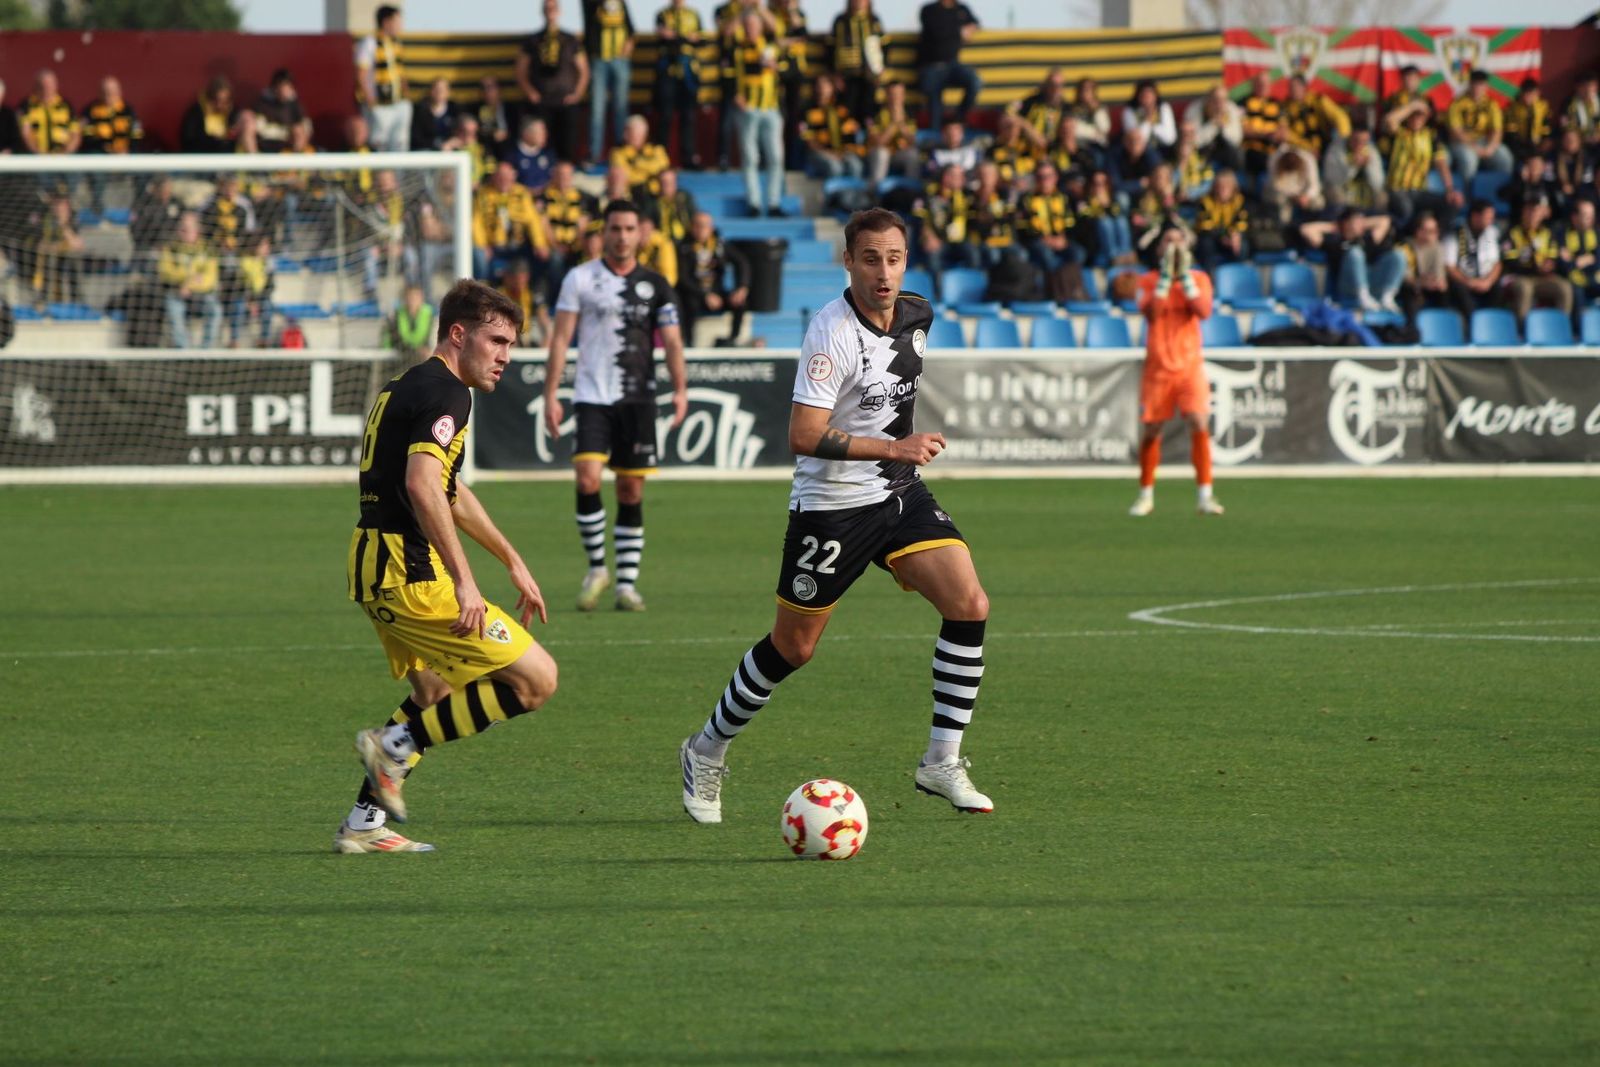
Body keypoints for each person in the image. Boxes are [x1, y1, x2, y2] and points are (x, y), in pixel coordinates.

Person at [678, 206, 995, 825]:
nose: (884, 272)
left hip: (898, 490)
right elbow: (802, 434)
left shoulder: (918, 314)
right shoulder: (830, 332)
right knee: (793, 648)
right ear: (847, 261)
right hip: (831, 507)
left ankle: (941, 760)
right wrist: (895, 447)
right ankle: (706, 748)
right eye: (870, 259)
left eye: (894, 258)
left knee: (969, 604)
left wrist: (898, 458)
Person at [339, 280, 557, 854]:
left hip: (376, 565)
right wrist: (466, 581)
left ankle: (363, 823)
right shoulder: (450, 393)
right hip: (409, 571)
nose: (505, 356)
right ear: (458, 335)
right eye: (497, 341)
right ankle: (393, 745)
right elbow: (422, 485)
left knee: (435, 691)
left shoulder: (411, 383)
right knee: (536, 681)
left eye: (511, 345)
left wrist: (511, 559)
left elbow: (448, 489)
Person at [542, 200, 687, 613]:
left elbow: (672, 341)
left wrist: (680, 389)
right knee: (587, 479)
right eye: (615, 229)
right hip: (591, 395)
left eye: (628, 229)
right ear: (603, 233)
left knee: (630, 488)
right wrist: (550, 393)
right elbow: (560, 338)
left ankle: (626, 585)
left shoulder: (656, 284)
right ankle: (596, 570)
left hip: (638, 400)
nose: (622, 236)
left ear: (640, 234)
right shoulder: (580, 278)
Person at [1129, 224, 1222, 518]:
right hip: (1158, 368)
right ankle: (1145, 494)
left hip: (1189, 365)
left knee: (1199, 421)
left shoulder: (1199, 279)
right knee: (1152, 428)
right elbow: (1152, 312)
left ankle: (1205, 495)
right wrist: (1167, 278)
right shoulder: (1147, 281)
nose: (1174, 246)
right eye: (1168, 241)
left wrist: (1184, 278)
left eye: (1179, 240)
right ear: (1160, 248)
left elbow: (1203, 310)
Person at [518, 0, 590, 164]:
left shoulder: (571, 39)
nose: (550, 11)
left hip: (566, 101)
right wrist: (531, 93)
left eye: (553, 8)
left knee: (568, 144)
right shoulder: (533, 40)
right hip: (542, 101)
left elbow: (584, 71)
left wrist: (577, 94)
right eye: (547, 8)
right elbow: (521, 70)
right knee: (541, 143)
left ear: (559, 12)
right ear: (542, 12)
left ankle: (566, 172)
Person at [732, 11, 786, 217]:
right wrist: (736, 95)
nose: (751, 30)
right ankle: (753, 202)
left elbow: (784, 68)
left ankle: (773, 203)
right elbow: (730, 76)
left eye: (754, 25)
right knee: (750, 158)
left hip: (771, 108)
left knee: (776, 157)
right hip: (749, 109)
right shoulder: (738, 49)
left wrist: (776, 67)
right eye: (747, 26)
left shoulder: (771, 47)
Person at [1300, 208, 1406, 313]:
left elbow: (1385, 221)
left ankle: (1387, 297)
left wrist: (1361, 223)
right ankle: (1362, 296)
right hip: (1347, 287)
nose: (1362, 224)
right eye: (1357, 221)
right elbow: (1306, 229)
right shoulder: (1335, 243)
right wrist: (1335, 226)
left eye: (1362, 221)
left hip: (1370, 284)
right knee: (1355, 253)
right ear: (1346, 223)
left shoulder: (1366, 241)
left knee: (1398, 255)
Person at [677, 209, 750, 346]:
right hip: (695, 293)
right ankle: (688, 343)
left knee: (739, 302)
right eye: (697, 225)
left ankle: (732, 339)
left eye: (705, 226)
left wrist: (742, 286)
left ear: (711, 228)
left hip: (717, 291)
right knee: (688, 304)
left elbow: (741, 262)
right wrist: (705, 295)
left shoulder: (719, 245)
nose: (701, 230)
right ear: (692, 227)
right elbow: (682, 278)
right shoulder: (684, 247)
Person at [1385, 96, 1459, 227]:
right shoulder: (1400, 133)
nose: (1416, 118)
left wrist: (1449, 189)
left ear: (1426, 117)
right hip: (1397, 189)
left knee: (1451, 204)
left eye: (1420, 115)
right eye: (1413, 115)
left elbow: (1441, 164)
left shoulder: (1431, 137)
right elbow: (1389, 120)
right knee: (1405, 209)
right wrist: (1413, 105)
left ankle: (1434, 235)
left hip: (1419, 191)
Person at [1499, 195, 1572, 322]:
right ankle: (1523, 329)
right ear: (1523, 212)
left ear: (1541, 214)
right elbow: (1510, 261)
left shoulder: (1547, 233)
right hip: (1519, 277)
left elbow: (1553, 256)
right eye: (1529, 210)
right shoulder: (1512, 233)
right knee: (1525, 289)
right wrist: (1535, 268)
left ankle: (1561, 325)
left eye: (1536, 211)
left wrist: (1550, 264)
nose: (1532, 214)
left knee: (1564, 287)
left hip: (1543, 278)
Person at [79, 76, 143, 216]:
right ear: (99, 93)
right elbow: (87, 138)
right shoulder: (90, 111)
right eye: (105, 92)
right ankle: (97, 209)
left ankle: (139, 208)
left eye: (112, 92)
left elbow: (136, 135)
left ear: (119, 92)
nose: (109, 95)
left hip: (125, 155)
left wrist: (127, 151)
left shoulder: (128, 110)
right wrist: (108, 151)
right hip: (100, 155)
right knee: (97, 171)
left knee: (143, 172)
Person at [159, 211, 223, 349]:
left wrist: (189, 285)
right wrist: (190, 279)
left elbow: (211, 278)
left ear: (197, 230)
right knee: (174, 309)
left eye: (187, 229)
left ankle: (206, 350)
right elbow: (165, 271)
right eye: (181, 228)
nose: (183, 232)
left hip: (202, 294)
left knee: (215, 310)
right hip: (177, 292)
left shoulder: (207, 249)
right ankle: (184, 350)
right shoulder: (171, 247)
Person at [583, 0, 636, 165]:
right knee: (597, 109)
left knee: (621, 108)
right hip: (599, 60)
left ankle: (622, 151)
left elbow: (631, 30)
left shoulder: (621, 3)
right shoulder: (592, 4)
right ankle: (595, 153)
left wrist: (627, 48)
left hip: (620, 60)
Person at [917, 0, 980, 133]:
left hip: (953, 65)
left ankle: (957, 120)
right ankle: (936, 134)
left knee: (974, 81)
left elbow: (975, 23)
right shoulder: (929, 10)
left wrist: (970, 28)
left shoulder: (962, 9)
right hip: (931, 66)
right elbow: (937, 32)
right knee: (934, 103)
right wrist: (959, 31)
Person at [654, 0, 704, 166]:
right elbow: (662, 37)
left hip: (688, 72)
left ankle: (688, 157)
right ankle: (660, 158)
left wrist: (677, 37)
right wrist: (684, 38)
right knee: (665, 115)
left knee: (688, 116)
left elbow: (699, 39)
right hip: (668, 72)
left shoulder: (694, 14)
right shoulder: (662, 14)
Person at [356, 4, 411, 154]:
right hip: (380, 106)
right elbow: (361, 75)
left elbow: (400, 73)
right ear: (386, 22)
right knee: (380, 144)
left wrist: (406, 97)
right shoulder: (369, 43)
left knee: (400, 145)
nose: (400, 25)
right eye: (397, 21)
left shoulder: (396, 43)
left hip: (398, 103)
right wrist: (371, 102)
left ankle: (399, 172)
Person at [1447, 70, 1512, 183]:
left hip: (1484, 142)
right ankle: (1467, 191)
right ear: (1470, 84)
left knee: (1505, 157)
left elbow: (1497, 130)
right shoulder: (1457, 104)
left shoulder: (1491, 104)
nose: (1477, 88)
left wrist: (1491, 148)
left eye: (1481, 84)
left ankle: (1501, 191)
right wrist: (1475, 148)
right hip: (1462, 143)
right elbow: (1456, 132)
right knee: (1469, 160)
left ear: (1486, 86)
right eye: (1475, 84)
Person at [1443, 198, 1503, 314]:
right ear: (1475, 216)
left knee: (1498, 288)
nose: (1491, 221)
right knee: (1457, 289)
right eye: (1488, 217)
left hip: (1485, 281)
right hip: (1463, 280)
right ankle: (1471, 321)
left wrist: (1488, 281)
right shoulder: (1456, 234)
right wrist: (1468, 282)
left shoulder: (1491, 233)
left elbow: (1496, 263)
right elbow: (1449, 267)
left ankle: (1490, 320)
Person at [830, 0, 884, 124]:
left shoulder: (874, 21)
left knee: (869, 110)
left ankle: (868, 133)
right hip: (847, 76)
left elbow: (884, 46)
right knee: (848, 111)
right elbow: (830, 49)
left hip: (870, 76)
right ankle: (850, 135)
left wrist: (880, 70)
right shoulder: (841, 21)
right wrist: (834, 74)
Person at [799, 75, 865, 179]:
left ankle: (852, 190)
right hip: (819, 153)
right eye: (819, 86)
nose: (822, 89)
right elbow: (809, 141)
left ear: (832, 88)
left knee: (855, 165)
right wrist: (830, 153)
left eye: (826, 85)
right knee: (835, 167)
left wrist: (844, 152)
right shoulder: (807, 111)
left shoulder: (842, 110)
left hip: (842, 152)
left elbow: (851, 134)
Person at [1194, 167, 1248, 272]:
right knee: (1206, 243)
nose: (1223, 190)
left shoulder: (1239, 201)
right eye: (1220, 186)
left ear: (1233, 188)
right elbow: (1206, 226)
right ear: (1215, 187)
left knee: (1242, 245)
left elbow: (1241, 223)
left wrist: (1235, 236)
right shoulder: (1205, 201)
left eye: (1227, 187)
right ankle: (1209, 275)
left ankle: (1237, 273)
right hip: (1212, 237)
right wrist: (1223, 238)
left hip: (1230, 238)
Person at [866, 80, 920, 184]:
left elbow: (913, 142)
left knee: (913, 155)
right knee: (882, 153)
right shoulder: (875, 112)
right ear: (886, 95)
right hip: (877, 153)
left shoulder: (909, 113)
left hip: (899, 154)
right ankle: (876, 189)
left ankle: (912, 189)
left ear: (903, 96)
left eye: (899, 94)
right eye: (892, 94)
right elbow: (878, 142)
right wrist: (893, 124)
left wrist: (901, 125)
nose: (896, 98)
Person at [611, 114, 672, 198]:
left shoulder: (656, 148)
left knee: (668, 178)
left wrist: (638, 163)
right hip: (631, 194)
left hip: (656, 193)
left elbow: (664, 168)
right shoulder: (618, 151)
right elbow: (625, 175)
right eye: (626, 132)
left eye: (639, 134)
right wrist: (650, 172)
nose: (625, 135)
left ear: (644, 134)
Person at [1239, 71, 1284, 178]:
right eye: (1260, 83)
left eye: (1265, 83)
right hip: (1250, 150)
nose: (1263, 86)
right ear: (1253, 85)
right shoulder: (1244, 102)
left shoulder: (1277, 104)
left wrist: (1275, 135)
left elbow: (1284, 130)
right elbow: (1243, 129)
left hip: (1273, 152)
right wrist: (1264, 135)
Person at [1558, 198, 1600, 305]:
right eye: (1586, 215)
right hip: (1573, 281)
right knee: (1575, 293)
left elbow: (1597, 261)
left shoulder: (1596, 233)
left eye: (1592, 215)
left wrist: (1576, 261)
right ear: (1574, 217)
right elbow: (1564, 266)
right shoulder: (1562, 234)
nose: (1590, 219)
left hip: (1594, 278)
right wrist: (1581, 261)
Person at [252, 68, 303, 154]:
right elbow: (259, 125)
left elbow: (301, 125)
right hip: (265, 141)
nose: (284, 89)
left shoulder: (294, 104)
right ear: (274, 87)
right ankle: (254, 160)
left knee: (299, 131)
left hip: (287, 143)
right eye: (281, 85)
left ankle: (296, 159)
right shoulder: (262, 103)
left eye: (287, 86)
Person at [384, 282, 436, 363]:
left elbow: (426, 339)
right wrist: (416, 350)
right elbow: (398, 342)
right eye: (410, 297)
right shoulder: (397, 315)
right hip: (400, 356)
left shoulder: (428, 314)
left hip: (418, 355)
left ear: (421, 298)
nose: (413, 300)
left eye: (416, 297)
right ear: (405, 298)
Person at [1122, 79, 1177, 152]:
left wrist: (1154, 127)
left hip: (1164, 148)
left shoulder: (1164, 108)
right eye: (1144, 95)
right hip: (1140, 151)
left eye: (1150, 95)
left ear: (1156, 96)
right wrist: (1148, 121)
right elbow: (1135, 140)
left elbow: (1170, 139)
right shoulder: (1129, 111)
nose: (1147, 99)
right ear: (1138, 97)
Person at [1504, 77, 1551, 161]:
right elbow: (1511, 133)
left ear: (1537, 93)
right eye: (1526, 93)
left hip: (1537, 144)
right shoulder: (1512, 108)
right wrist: (1522, 149)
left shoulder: (1543, 107)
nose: (1528, 97)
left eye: (1532, 94)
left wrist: (1545, 140)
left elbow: (1546, 127)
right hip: (1519, 145)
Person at [412, 78, 460, 151]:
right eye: (436, 89)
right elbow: (416, 138)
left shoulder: (455, 110)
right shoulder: (419, 111)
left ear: (448, 92)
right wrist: (439, 145)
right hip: (426, 152)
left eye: (442, 90)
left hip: (451, 152)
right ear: (430, 91)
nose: (439, 92)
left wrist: (452, 142)